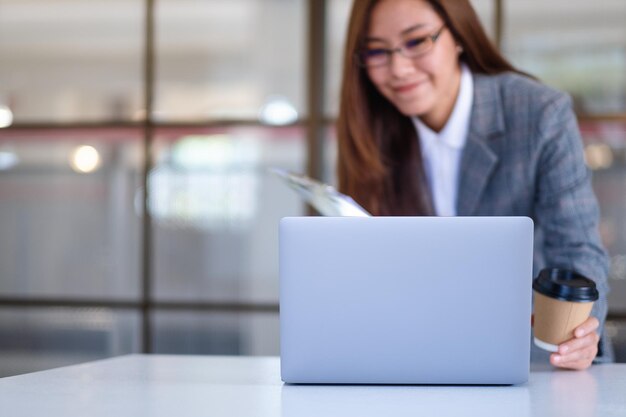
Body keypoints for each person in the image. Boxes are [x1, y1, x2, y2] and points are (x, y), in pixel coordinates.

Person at [336, 0, 612, 369]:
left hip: (538, 360)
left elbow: (578, 251)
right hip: (420, 361)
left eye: (416, 41)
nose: (398, 68)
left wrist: (577, 335)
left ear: (459, 34)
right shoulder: (373, 132)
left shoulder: (538, 113)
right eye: (376, 51)